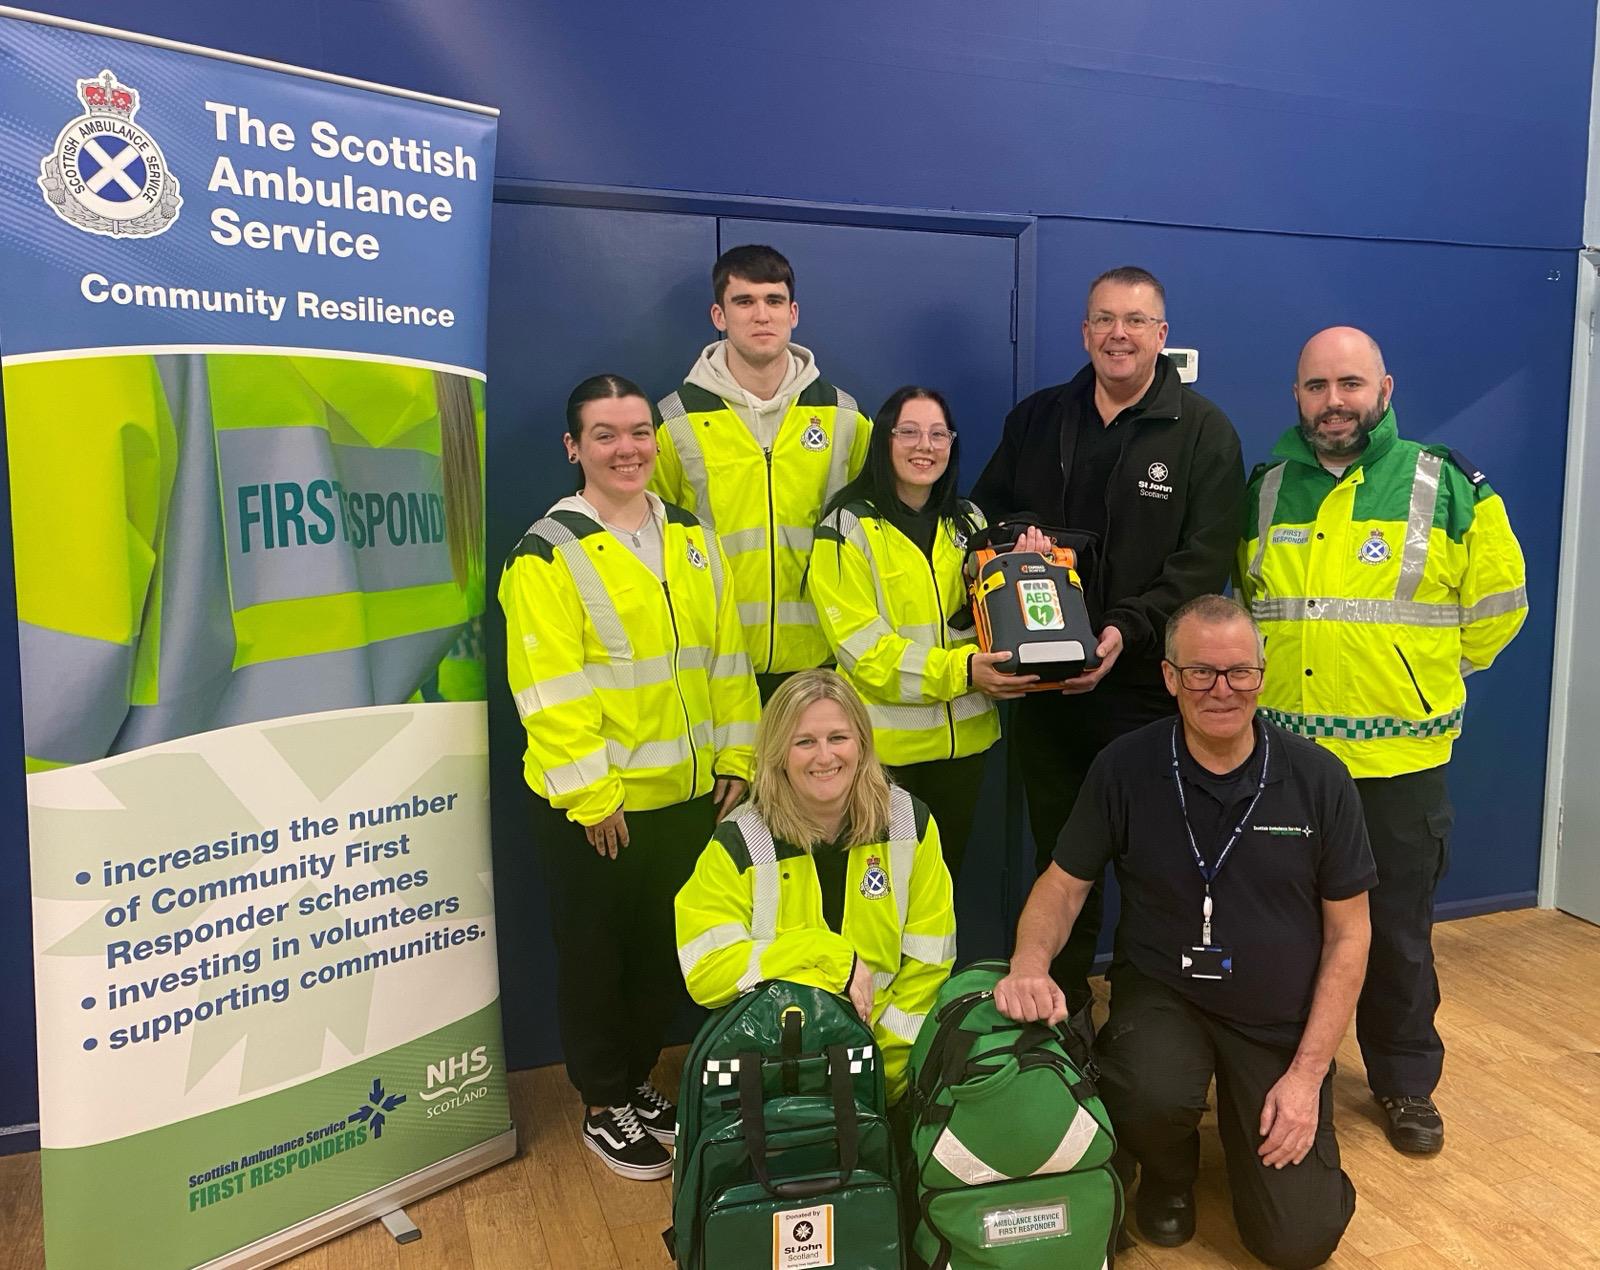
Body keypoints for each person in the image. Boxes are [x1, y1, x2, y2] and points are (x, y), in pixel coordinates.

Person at [994, 596, 1374, 1268]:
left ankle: (1261, 1126)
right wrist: (1028, 963)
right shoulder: (1126, 766)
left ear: (1263, 673)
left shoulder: (1319, 778)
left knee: (1298, 1242)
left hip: (1275, 1015)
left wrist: (1308, 1076)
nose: (1221, 691)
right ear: (1170, 677)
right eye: (1200, 673)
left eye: (1239, 673)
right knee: (1145, 1087)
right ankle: (1169, 1175)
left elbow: (1350, 936)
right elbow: (1062, 885)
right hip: (1165, 994)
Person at [1237, 326, 1528, 1156]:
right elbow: (1254, 610)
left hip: (1399, 765)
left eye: (1351, 384)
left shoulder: (1446, 486)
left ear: (1385, 389)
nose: (1335, 402)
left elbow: (1498, 610)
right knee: (1287, 935)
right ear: (1296, 395)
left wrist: (1415, 675)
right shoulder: (1263, 487)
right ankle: (1300, 1072)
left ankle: (1404, 1083)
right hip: (1288, 766)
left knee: (1399, 936)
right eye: (1318, 386)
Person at [499, 374, 761, 1181]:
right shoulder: (548, 553)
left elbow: (726, 656)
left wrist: (736, 756)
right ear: (574, 448)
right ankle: (602, 1102)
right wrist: (592, 796)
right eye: (606, 435)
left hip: (687, 798)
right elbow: (548, 689)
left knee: (659, 953)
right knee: (595, 958)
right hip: (598, 810)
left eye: (640, 432)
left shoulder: (690, 536)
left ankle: (638, 1080)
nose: (628, 449)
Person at [971, 265, 1245, 1008]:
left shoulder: (1204, 433)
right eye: (1103, 319)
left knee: (1159, 861)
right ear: (1085, 331)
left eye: (1134, 320)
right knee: (1064, 856)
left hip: (1149, 695)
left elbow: (1204, 562)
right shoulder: (1037, 419)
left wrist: (1127, 628)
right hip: (1047, 693)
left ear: (1161, 335)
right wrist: (1008, 545)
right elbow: (981, 521)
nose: (1117, 334)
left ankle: (1151, 1015)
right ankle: (1063, 1014)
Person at [7, 352, 485, 770]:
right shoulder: (436, 364)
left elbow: (57, 703)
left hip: (165, 852)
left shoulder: (92, 329)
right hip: (379, 823)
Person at [675, 668, 956, 1105]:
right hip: (777, 1075)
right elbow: (705, 971)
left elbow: (929, 963)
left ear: (862, 744)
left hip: (888, 1070)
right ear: (777, 753)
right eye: (804, 742)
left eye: (838, 738)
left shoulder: (909, 822)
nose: (824, 757)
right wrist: (827, 955)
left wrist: (881, 1072)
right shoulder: (740, 839)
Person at [808, 386, 1027, 886]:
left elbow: (982, 618)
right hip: (886, 760)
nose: (923, 446)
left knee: (940, 891)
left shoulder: (969, 522)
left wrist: (1025, 564)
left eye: (937, 434)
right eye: (907, 432)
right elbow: (863, 652)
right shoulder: (847, 528)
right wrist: (964, 669)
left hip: (964, 751)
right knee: (877, 898)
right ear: (884, 441)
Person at [651, 244, 873, 699]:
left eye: (773, 301)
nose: (761, 315)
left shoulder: (844, 417)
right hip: (714, 658)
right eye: (744, 302)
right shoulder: (673, 422)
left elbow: (876, 534)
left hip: (824, 660)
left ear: (793, 313)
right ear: (719, 315)